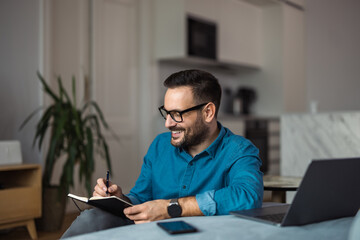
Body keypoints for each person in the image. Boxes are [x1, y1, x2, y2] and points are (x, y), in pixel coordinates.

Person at [61, 69, 263, 238]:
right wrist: (120, 198)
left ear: (208, 112)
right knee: (91, 218)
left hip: (203, 235)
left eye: (177, 114)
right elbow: (141, 197)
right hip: (151, 234)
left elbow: (247, 196)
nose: (168, 123)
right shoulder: (159, 145)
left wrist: (171, 207)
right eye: (166, 113)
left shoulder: (239, 150)